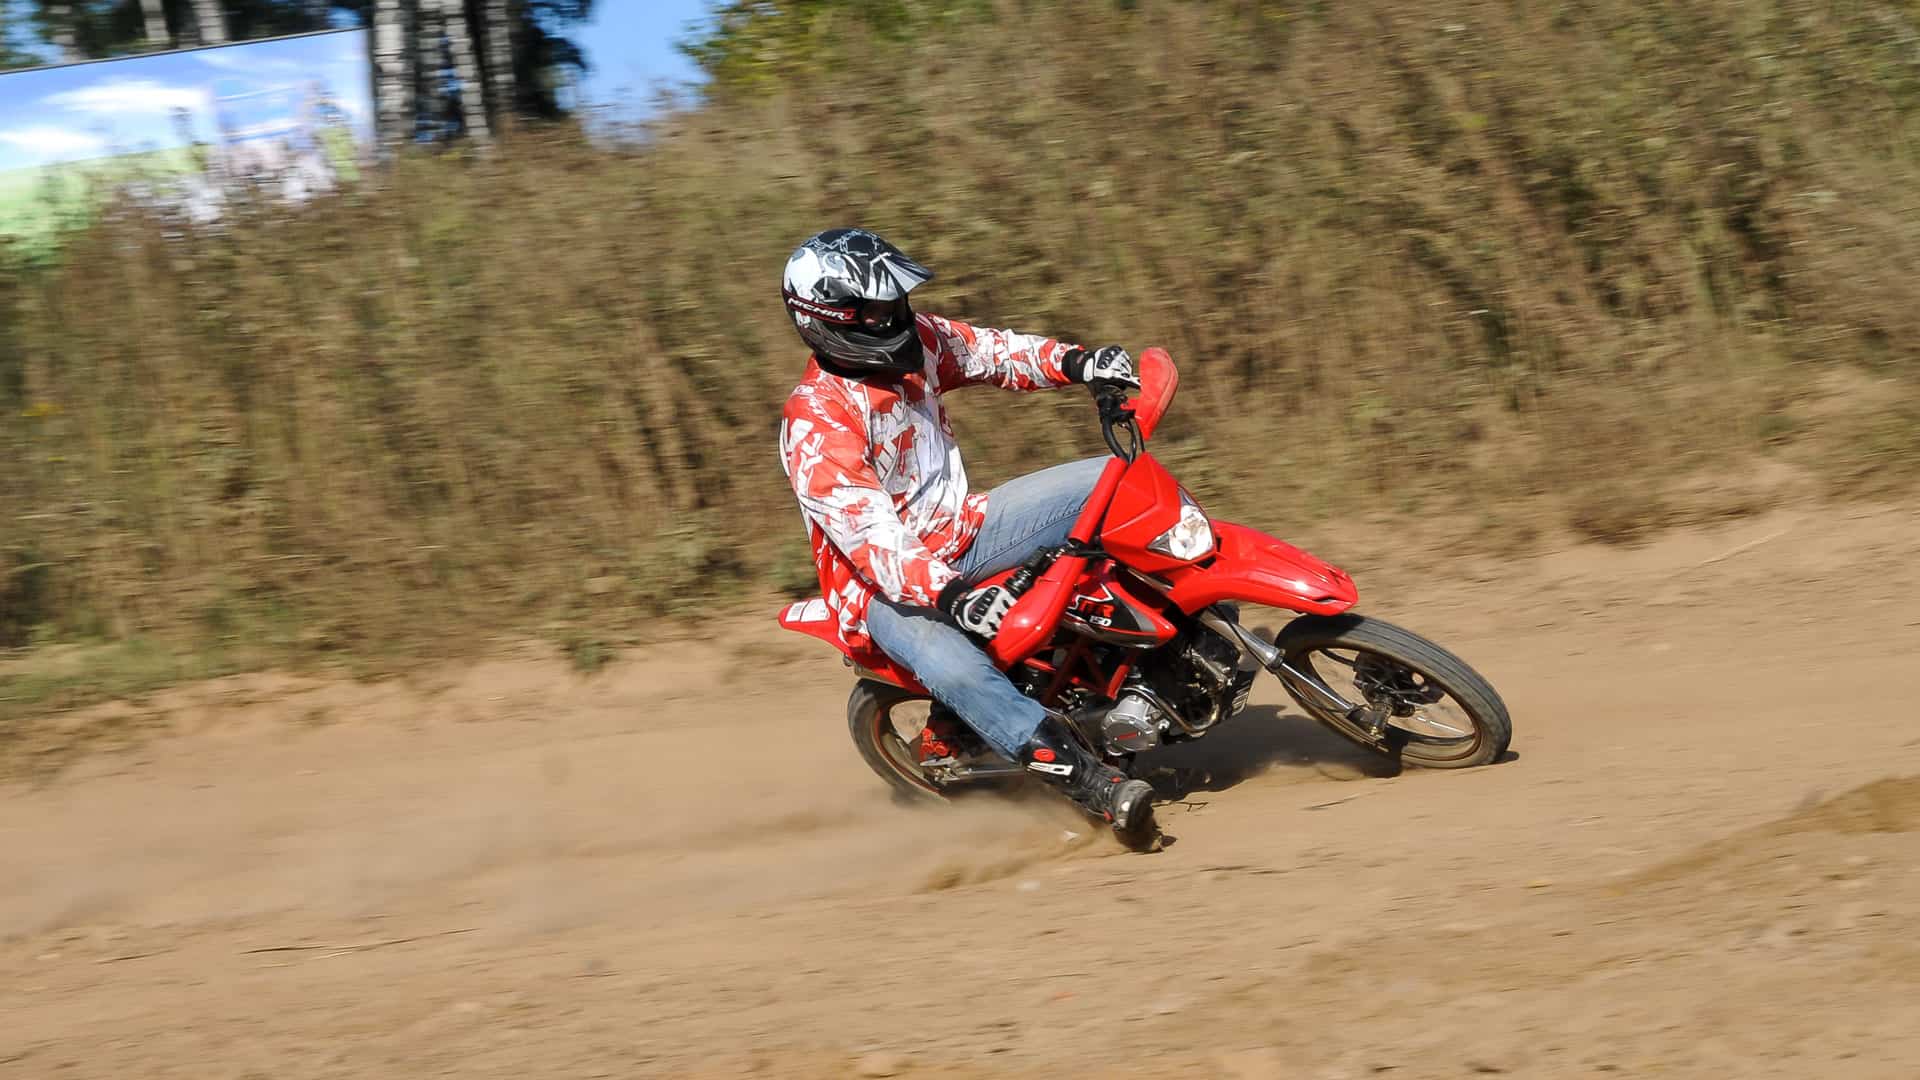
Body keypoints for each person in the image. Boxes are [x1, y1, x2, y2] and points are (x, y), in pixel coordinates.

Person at [777, 228, 1155, 843]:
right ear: (829, 319)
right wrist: (952, 596)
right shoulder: (816, 422)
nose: (896, 316)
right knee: (954, 669)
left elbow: (992, 352)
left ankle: (1173, 634)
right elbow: (872, 536)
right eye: (877, 309)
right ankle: (1094, 786)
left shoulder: (919, 341)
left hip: (964, 527)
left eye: (897, 302)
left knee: (1118, 482)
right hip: (881, 587)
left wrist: (1078, 363)